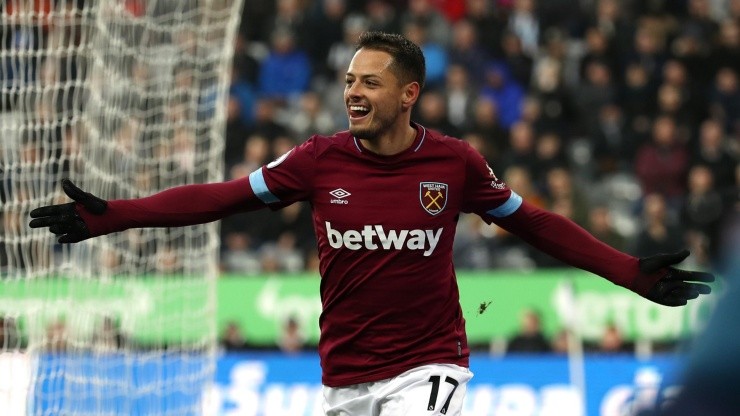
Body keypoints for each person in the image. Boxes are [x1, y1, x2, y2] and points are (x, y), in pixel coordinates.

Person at [28, 32, 714, 416]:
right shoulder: (316, 161)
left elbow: (532, 223)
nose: (352, 92)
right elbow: (221, 197)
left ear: (408, 93)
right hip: (342, 378)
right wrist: (113, 217)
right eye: (349, 81)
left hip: (429, 367)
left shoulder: (454, 164)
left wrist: (627, 271)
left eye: (370, 83)